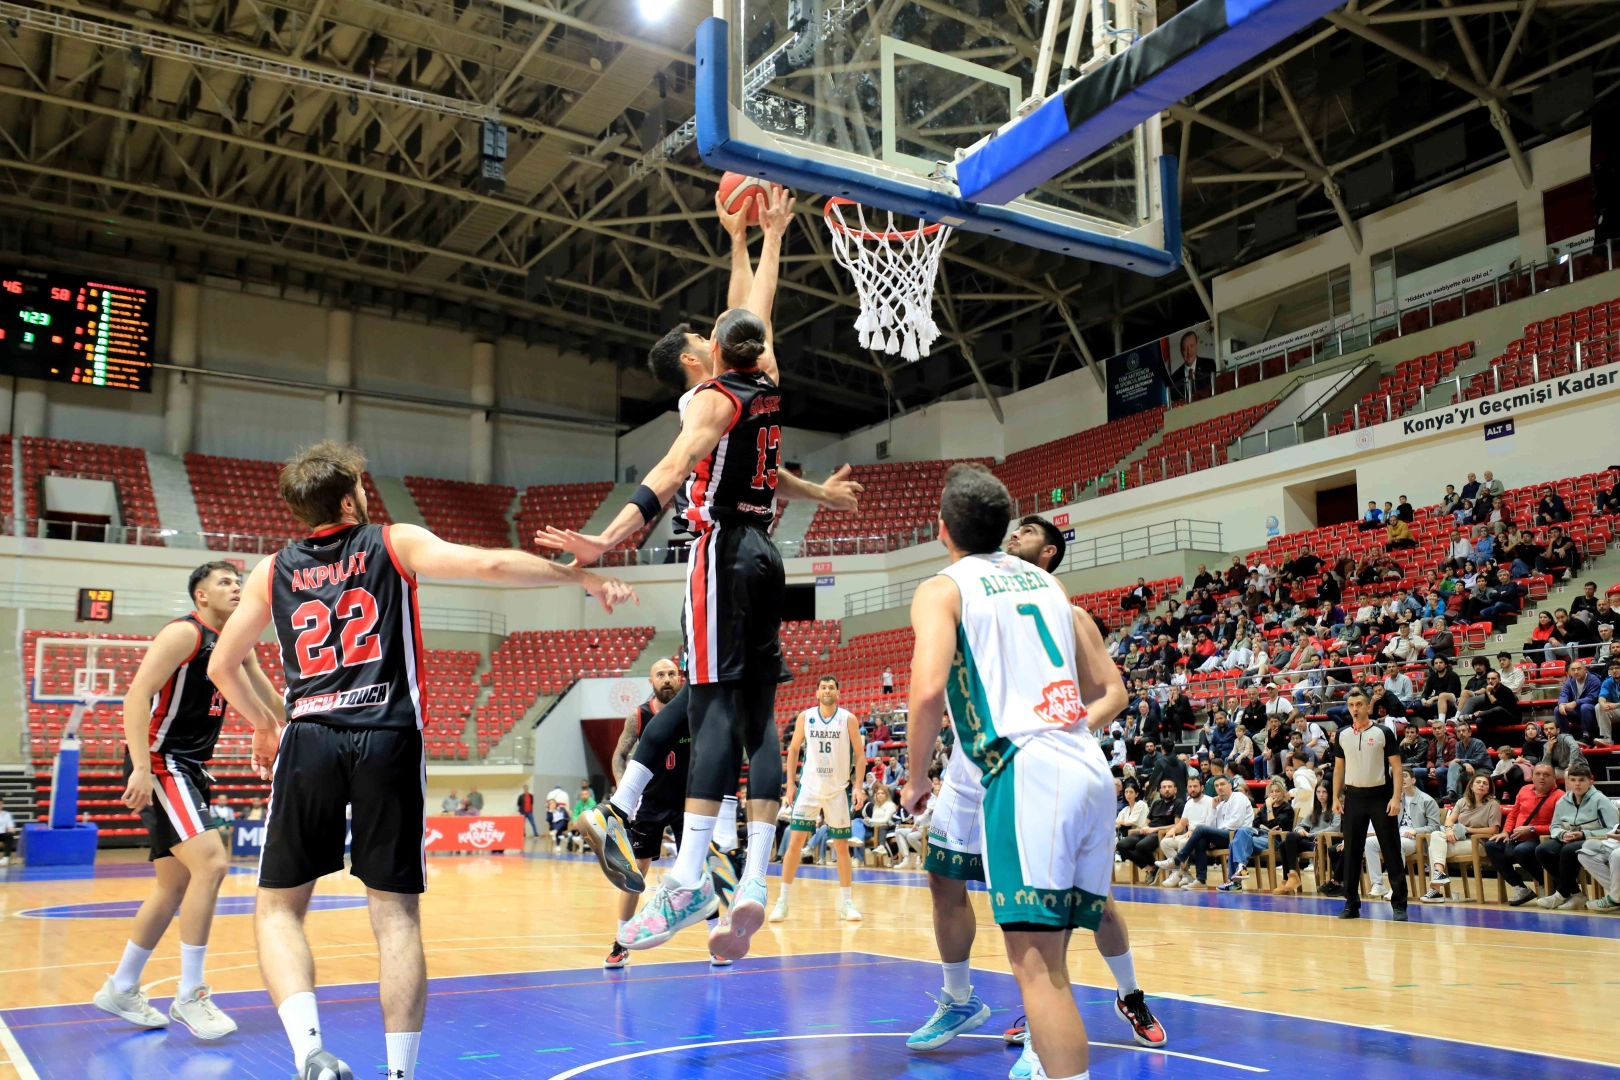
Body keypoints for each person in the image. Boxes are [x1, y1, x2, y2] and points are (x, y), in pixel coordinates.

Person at [208, 441, 637, 1080]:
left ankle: (309, 1054)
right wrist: (581, 577)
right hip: (387, 734)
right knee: (395, 917)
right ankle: (400, 1073)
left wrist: (265, 724)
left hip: (310, 736)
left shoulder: (272, 571)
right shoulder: (393, 541)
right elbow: (489, 564)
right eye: (361, 485)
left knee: (278, 908)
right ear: (349, 496)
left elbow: (222, 665)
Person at [543, 188, 862, 962]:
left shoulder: (710, 400)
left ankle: (686, 874)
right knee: (755, 714)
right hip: (767, 555)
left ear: (713, 354)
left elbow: (671, 466)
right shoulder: (766, 380)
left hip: (719, 553)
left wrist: (608, 539)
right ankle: (749, 878)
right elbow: (753, 314)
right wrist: (764, 239)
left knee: (713, 705)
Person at [902, 464, 1148, 1080]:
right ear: (1004, 527)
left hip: (1024, 767)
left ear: (942, 529)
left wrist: (914, 776)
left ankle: (1056, 1049)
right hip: (1083, 761)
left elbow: (928, 690)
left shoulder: (942, 588)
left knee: (1038, 967)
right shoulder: (1047, 585)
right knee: (1047, 954)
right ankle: (975, 1006)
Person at [92, 561, 282, 1041]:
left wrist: (305, 718)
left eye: (239, 582)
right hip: (161, 761)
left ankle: (122, 987)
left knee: (172, 886)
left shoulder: (237, 641)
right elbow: (136, 695)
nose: (236, 588)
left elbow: (267, 697)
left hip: (191, 768)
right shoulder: (185, 633)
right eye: (225, 582)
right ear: (201, 595)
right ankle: (191, 993)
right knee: (213, 864)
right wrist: (140, 766)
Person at [599, 659, 735, 970]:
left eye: (672, 673)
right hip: (651, 802)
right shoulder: (640, 716)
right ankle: (622, 942)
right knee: (635, 873)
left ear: (680, 678)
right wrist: (624, 792)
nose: (667, 679)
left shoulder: (693, 711)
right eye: (660, 674)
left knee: (699, 870)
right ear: (651, 681)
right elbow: (620, 754)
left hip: (689, 802)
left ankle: (717, 941)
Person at [773, 675, 867, 923]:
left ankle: (846, 903)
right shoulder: (806, 717)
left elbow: (860, 755)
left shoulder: (848, 718)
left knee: (841, 847)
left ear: (838, 693)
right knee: (795, 843)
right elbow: (794, 749)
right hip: (809, 788)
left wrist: (858, 786)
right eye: (823, 687)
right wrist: (790, 783)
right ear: (816, 693)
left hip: (838, 790)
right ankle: (783, 901)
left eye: (831, 687)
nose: (827, 690)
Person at [1330, 689, 1408, 920]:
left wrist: (1396, 798)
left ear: (1367, 706)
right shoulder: (1342, 734)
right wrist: (1335, 797)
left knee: (1391, 850)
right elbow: (1339, 769)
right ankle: (1351, 903)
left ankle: (1399, 904)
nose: (1355, 709)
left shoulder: (1383, 732)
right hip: (1353, 797)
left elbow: (1397, 768)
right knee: (1351, 852)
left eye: (1359, 704)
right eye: (1351, 705)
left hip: (1380, 797)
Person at [1533, 761, 1617, 910]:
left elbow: (1612, 829)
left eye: (1581, 780)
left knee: (1569, 850)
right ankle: (1576, 893)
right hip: (1568, 837)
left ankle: (1561, 894)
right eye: (1573, 780)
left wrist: (1584, 834)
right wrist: (1562, 834)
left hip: (1593, 840)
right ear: (1568, 782)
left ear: (1590, 782)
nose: (1577, 784)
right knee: (1542, 850)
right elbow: (1554, 826)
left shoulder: (1601, 800)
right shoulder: (1562, 801)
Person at [1483, 763, 1565, 906]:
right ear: (1532, 777)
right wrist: (1505, 831)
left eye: (1546, 775)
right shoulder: (1524, 789)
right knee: (1491, 845)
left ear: (1554, 778)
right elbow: (1513, 814)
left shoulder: (1560, 797)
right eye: (1538, 774)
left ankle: (1546, 884)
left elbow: (1559, 827)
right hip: (1517, 836)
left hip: (1541, 839)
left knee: (1521, 850)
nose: (1541, 778)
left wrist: (1532, 829)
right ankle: (1519, 887)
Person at [1158, 774, 1252, 889]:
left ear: (1230, 786)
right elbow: (1212, 825)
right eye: (1216, 785)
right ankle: (1201, 880)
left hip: (1239, 836)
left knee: (1200, 829)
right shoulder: (1220, 804)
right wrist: (1213, 808)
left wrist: (1212, 834)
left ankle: (1177, 860)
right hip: (1225, 836)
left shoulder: (1238, 797)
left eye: (1222, 784)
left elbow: (1236, 823)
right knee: (1200, 839)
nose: (1219, 787)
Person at [1421, 773, 1502, 902]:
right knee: (1436, 836)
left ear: (1489, 789)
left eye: (1485, 783)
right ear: (1471, 786)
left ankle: (1435, 890)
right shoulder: (1462, 801)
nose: (1481, 785)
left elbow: (1494, 830)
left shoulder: (1493, 804)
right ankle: (1439, 875)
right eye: (1478, 782)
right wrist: (1449, 830)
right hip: (1460, 840)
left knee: (1433, 848)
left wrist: (1466, 830)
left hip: (1479, 842)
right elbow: (1450, 820)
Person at [1362, 769, 1438, 900]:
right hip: (1396, 836)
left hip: (1415, 840)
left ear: (1413, 780)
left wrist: (1416, 831)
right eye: (1399, 777)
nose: (1401, 779)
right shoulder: (1396, 800)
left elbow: (1435, 826)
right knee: (1370, 843)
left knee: (1397, 844)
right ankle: (1378, 884)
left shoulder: (1427, 800)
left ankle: (1396, 888)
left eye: (1405, 776)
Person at [1274, 781, 1337, 894]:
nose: (1321, 795)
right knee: (1284, 844)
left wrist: (1311, 834)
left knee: (1289, 838)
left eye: (1324, 792)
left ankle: (1291, 877)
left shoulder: (1335, 809)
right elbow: (1300, 825)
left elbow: (1335, 828)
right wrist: (1300, 830)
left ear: (1330, 793)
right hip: (1309, 841)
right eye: (1318, 792)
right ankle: (1288, 879)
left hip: (1322, 842)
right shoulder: (1314, 810)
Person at [1117, 779, 1183, 872]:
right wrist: (1144, 827)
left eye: (1169, 787)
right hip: (1149, 831)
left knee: (1140, 846)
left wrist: (1155, 829)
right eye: (1164, 787)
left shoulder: (1178, 803)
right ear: (1160, 790)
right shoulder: (1156, 803)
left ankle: (1154, 867)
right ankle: (1151, 867)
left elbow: (1177, 825)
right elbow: (1147, 822)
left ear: (1175, 789)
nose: (1167, 789)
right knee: (1121, 845)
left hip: (1162, 833)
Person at [1555, 659, 1602, 740]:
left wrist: (1576, 703)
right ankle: (1566, 737)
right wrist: (1561, 704)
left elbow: (1593, 698)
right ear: (1570, 672)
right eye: (1573, 670)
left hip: (1592, 711)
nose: (1576, 672)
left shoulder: (1594, 680)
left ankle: (1586, 736)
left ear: (1585, 669)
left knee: (1585, 707)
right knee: (1557, 709)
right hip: (1577, 711)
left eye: (1579, 669)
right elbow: (1564, 694)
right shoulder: (1570, 681)